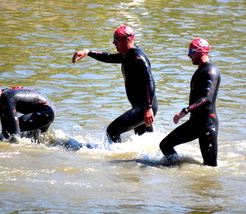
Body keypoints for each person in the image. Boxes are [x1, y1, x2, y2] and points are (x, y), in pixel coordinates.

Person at [72, 25, 158, 143]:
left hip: (145, 107)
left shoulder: (138, 58)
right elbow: (109, 57)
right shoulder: (127, 55)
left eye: (117, 39)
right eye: (114, 39)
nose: (113, 42)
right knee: (145, 141)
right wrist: (88, 52)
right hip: (141, 107)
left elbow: (150, 83)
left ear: (128, 39)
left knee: (112, 131)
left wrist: (148, 108)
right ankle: (154, 160)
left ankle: (116, 158)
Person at [159, 38, 221, 166]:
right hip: (195, 123)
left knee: (210, 168)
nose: (189, 55)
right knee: (165, 145)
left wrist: (185, 110)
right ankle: (176, 171)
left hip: (207, 125)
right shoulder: (201, 69)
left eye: (192, 51)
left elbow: (207, 98)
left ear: (202, 52)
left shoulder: (211, 71)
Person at [0, 77, 55, 143]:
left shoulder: (7, 97)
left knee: (12, 129)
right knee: (34, 138)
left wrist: (13, 148)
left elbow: (14, 127)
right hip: (44, 112)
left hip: (46, 112)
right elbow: (5, 130)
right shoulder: (0, 103)